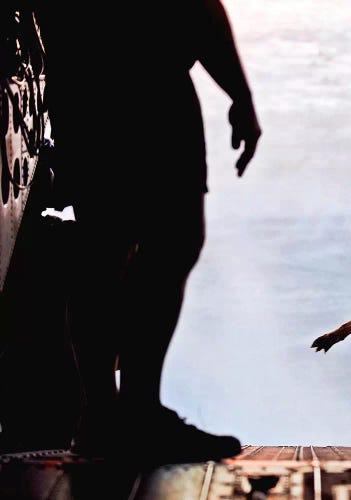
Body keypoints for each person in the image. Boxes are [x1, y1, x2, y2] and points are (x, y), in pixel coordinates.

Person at [37, 0, 262, 462]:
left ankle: (101, 415)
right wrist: (239, 93)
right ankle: (135, 410)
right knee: (172, 241)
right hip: (153, 82)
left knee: (104, 243)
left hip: (81, 80)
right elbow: (198, 10)